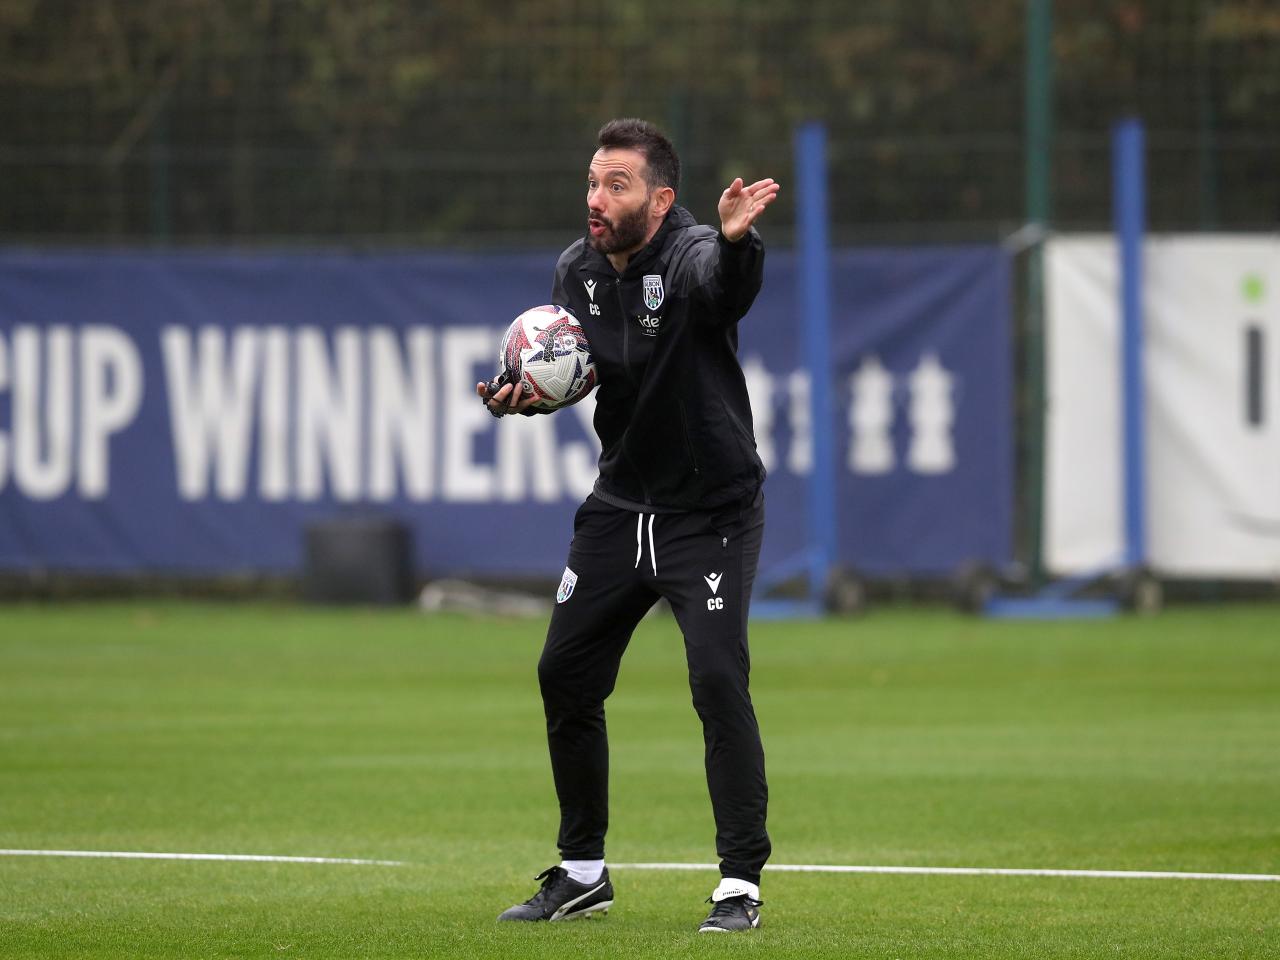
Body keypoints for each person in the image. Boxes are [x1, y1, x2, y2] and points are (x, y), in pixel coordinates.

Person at [476, 118, 780, 933]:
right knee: (563, 674)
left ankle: (739, 883)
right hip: (620, 507)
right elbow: (582, 373)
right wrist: (527, 396)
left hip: (710, 513)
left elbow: (722, 286)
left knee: (717, 682)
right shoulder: (575, 270)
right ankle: (581, 872)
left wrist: (737, 242)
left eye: (617, 185)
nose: (596, 199)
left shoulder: (687, 256)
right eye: (591, 183)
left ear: (662, 197)